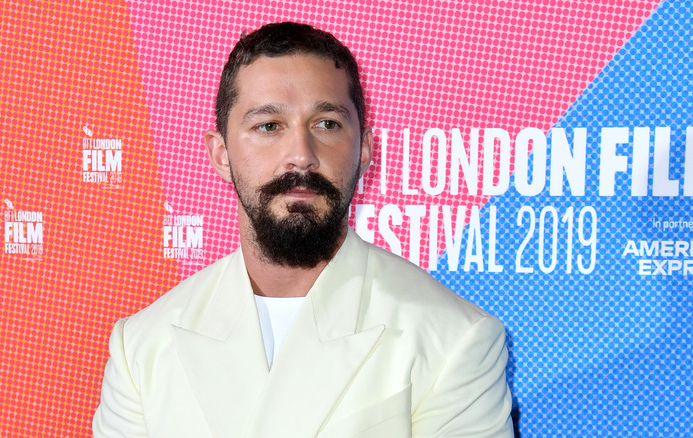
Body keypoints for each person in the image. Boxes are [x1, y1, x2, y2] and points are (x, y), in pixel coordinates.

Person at [93, 21, 513, 437]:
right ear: (221, 154)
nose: (301, 156)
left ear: (364, 147)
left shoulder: (454, 339)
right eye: (268, 126)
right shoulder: (142, 348)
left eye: (326, 123)